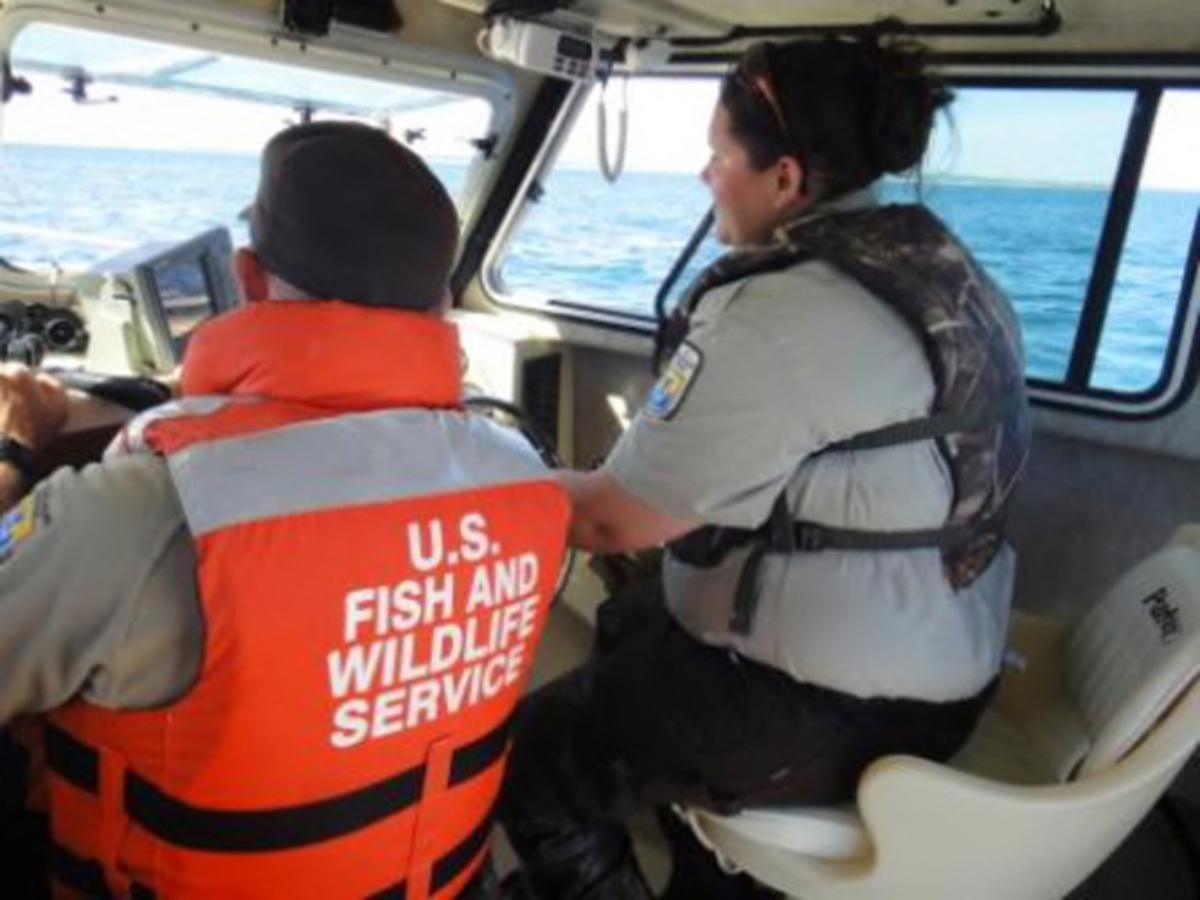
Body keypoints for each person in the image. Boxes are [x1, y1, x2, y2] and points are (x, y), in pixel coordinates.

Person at [499, 21, 1030, 900]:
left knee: (534, 760)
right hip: (947, 669)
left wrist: (489, 480)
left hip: (840, 708)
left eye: (718, 156)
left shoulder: (785, 313)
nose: (704, 175)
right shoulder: (941, 272)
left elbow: (609, 520)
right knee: (631, 622)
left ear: (785, 178)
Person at [0, 121, 570, 899]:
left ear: (249, 278)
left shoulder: (143, 508)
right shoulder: (526, 484)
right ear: (441, 301)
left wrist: (14, 453)